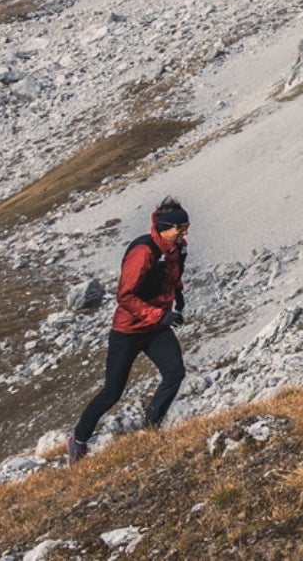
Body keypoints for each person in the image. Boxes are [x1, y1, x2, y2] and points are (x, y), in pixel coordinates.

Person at [67, 197, 190, 463]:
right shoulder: (143, 252)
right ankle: (78, 439)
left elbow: (172, 276)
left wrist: (178, 296)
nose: (183, 234)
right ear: (164, 227)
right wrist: (160, 315)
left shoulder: (176, 248)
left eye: (186, 227)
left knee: (175, 373)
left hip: (156, 328)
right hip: (128, 331)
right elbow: (125, 296)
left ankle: (151, 427)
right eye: (179, 229)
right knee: (112, 391)